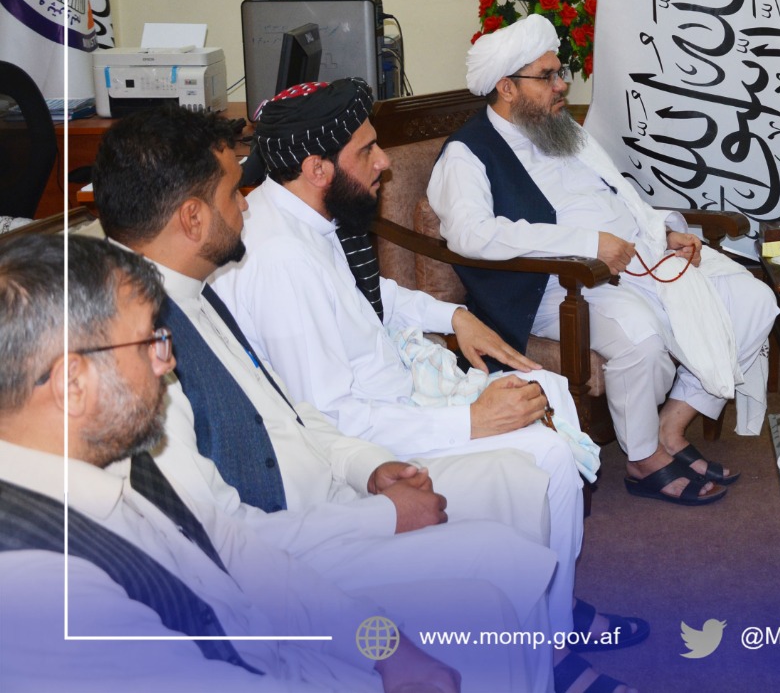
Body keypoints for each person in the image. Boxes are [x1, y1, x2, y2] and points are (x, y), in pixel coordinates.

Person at [91, 103, 645, 691]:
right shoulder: (133, 350)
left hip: (333, 479)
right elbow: (222, 541)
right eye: (233, 192)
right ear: (192, 217)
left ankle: (547, 659)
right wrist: (382, 515)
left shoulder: (191, 289)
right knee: (495, 576)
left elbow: (292, 412)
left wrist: (370, 467)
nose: (247, 205)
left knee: (522, 482)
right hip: (293, 539)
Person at [0, 234, 537, 691]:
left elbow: (251, 563)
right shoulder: (39, 585)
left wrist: (386, 647)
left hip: (284, 650)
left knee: (485, 607)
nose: (168, 362)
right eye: (150, 343)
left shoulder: (117, 457)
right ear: (73, 384)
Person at [208, 78, 588, 640]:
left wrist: (453, 317)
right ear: (317, 169)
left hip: (392, 398)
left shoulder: (301, 216)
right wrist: (470, 420)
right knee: (548, 455)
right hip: (366, 437)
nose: (384, 162)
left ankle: (548, 611)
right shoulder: (281, 260)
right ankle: (553, 634)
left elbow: (367, 295)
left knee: (544, 396)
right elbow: (329, 417)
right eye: (367, 150)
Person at [427, 14, 778, 505]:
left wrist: (666, 231)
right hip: (558, 283)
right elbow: (470, 234)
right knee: (642, 339)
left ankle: (670, 428)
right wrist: (591, 244)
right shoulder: (468, 154)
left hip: (636, 259)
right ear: (506, 87)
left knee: (755, 301)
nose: (562, 85)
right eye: (547, 76)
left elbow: (618, 196)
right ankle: (642, 459)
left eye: (559, 72)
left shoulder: (559, 129)